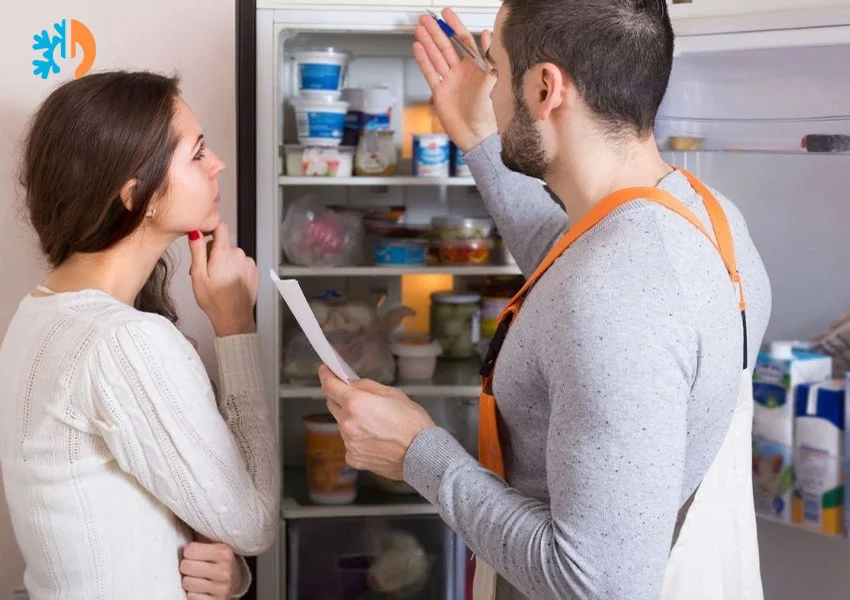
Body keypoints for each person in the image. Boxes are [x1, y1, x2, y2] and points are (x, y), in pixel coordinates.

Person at [319, 2, 772, 599]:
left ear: (544, 87)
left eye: (498, 71)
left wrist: (416, 453)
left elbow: (595, 586)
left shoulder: (618, 296)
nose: (493, 89)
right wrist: (479, 135)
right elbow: (570, 268)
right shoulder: (706, 215)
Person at [0, 71, 279, 599]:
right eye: (197, 154)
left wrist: (225, 571)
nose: (216, 163)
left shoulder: (37, 312)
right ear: (139, 195)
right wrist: (236, 326)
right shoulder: (122, 343)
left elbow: (130, 526)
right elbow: (255, 522)